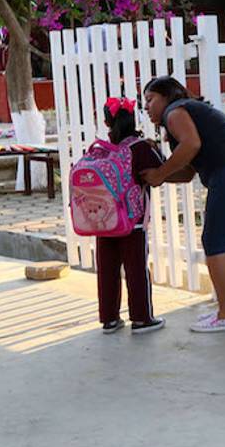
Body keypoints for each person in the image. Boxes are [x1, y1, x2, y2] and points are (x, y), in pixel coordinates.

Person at [140, 77, 225, 333]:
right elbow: (186, 173)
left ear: (167, 96)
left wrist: (159, 174)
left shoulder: (175, 111)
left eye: (150, 99)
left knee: (215, 242)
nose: (146, 107)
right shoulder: (189, 112)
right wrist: (155, 175)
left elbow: (192, 145)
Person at [96, 97, 167, 335]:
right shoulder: (140, 147)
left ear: (107, 123)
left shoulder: (101, 150)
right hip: (132, 222)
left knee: (107, 270)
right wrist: (155, 147)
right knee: (136, 270)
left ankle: (109, 319)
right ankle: (141, 319)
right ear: (133, 120)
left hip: (104, 221)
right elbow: (160, 172)